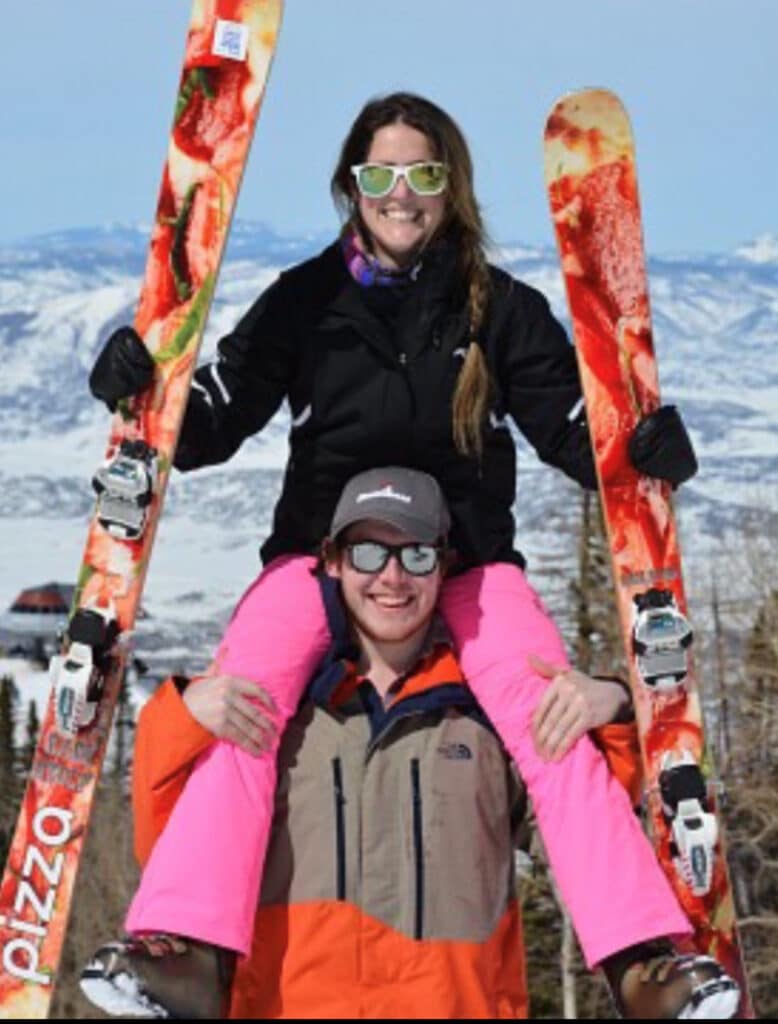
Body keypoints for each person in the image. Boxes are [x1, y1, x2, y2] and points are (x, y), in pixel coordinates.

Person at [86, 94, 704, 1005]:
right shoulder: (305, 301)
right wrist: (142, 390)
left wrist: (641, 447)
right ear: (351, 185)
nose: (401, 195)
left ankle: (643, 958)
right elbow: (215, 420)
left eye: (423, 175)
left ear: (451, 187)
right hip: (318, 557)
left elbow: (576, 434)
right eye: (381, 175)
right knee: (244, 710)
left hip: (466, 568)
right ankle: (187, 950)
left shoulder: (502, 309)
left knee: (554, 725)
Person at [81, 468, 737, 1019]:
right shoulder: (275, 714)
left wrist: (618, 708)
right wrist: (185, 719)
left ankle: (644, 969)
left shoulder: (490, 715)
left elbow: (595, 826)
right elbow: (165, 841)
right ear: (332, 563)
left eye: (416, 554)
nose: (392, 577)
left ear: (444, 568)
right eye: (369, 553)